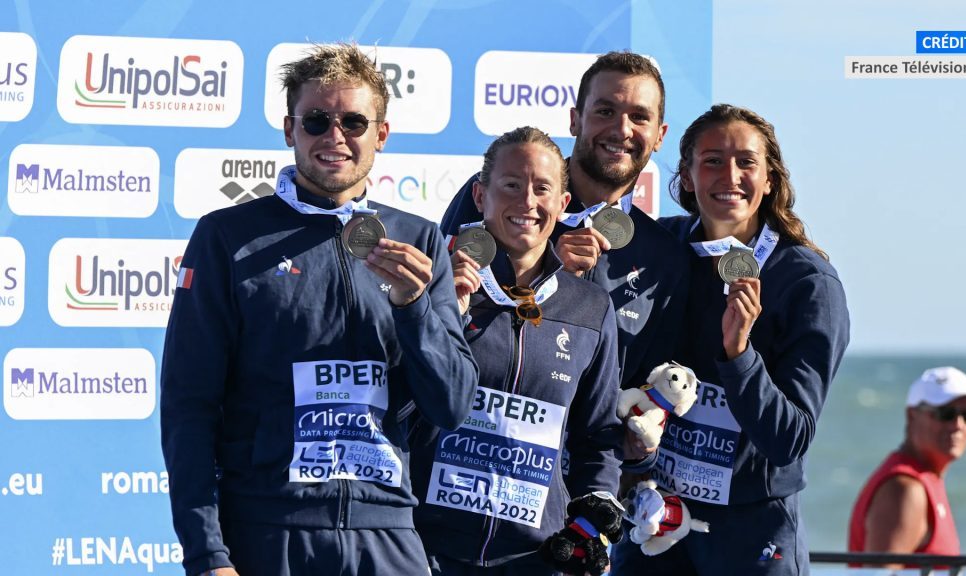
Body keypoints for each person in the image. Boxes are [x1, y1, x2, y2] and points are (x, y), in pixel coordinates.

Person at [160, 43, 478, 576]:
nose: (335, 137)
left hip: (387, 535)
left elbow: (453, 406)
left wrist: (413, 306)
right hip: (267, 533)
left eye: (354, 121)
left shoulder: (418, 241)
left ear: (381, 134)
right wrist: (207, 553)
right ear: (290, 130)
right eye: (316, 121)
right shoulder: (227, 237)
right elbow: (188, 407)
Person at [612, 104, 851, 575]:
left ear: (770, 180)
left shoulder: (809, 284)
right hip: (656, 518)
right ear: (686, 177)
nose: (730, 175)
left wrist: (739, 355)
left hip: (751, 532)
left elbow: (790, 440)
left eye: (746, 162)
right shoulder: (660, 251)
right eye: (713, 160)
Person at [409, 126, 623, 575]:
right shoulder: (436, 285)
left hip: (537, 558)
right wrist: (445, 313)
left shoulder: (590, 307)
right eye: (511, 185)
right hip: (428, 551)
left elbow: (597, 439)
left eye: (542, 188)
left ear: (563, 204)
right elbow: (400, 401)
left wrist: (591, 523)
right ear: (480, 194)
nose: (527, 202)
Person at [440, 51, 685, 408]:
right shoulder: (499, 198)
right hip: (472, 441)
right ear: (575, 120)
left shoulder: (665, 256)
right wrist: (552, 279)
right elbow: (441, 317)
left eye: (639, 117)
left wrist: (639, 435)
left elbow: (649, 386)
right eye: (605, 111)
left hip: (585, 458)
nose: (621, 129)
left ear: (660, 135)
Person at [848, 366, 966, 569]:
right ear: (912, 416)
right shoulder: (905, 489)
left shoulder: (925, 480)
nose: (958, 424)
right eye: (945, 413)